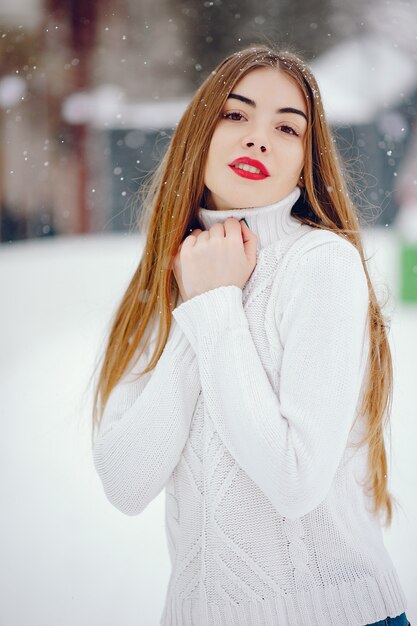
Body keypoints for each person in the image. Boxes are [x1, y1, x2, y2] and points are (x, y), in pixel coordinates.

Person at [91, 44, 410, 626]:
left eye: (287, 128)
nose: (259, 138)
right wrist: (204, 301)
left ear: (304, 162)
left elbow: (294, 480)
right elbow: (125, 480)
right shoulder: (171, 275)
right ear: (198, 134)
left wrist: (214, 306)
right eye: (236, 115)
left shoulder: (320, 265)